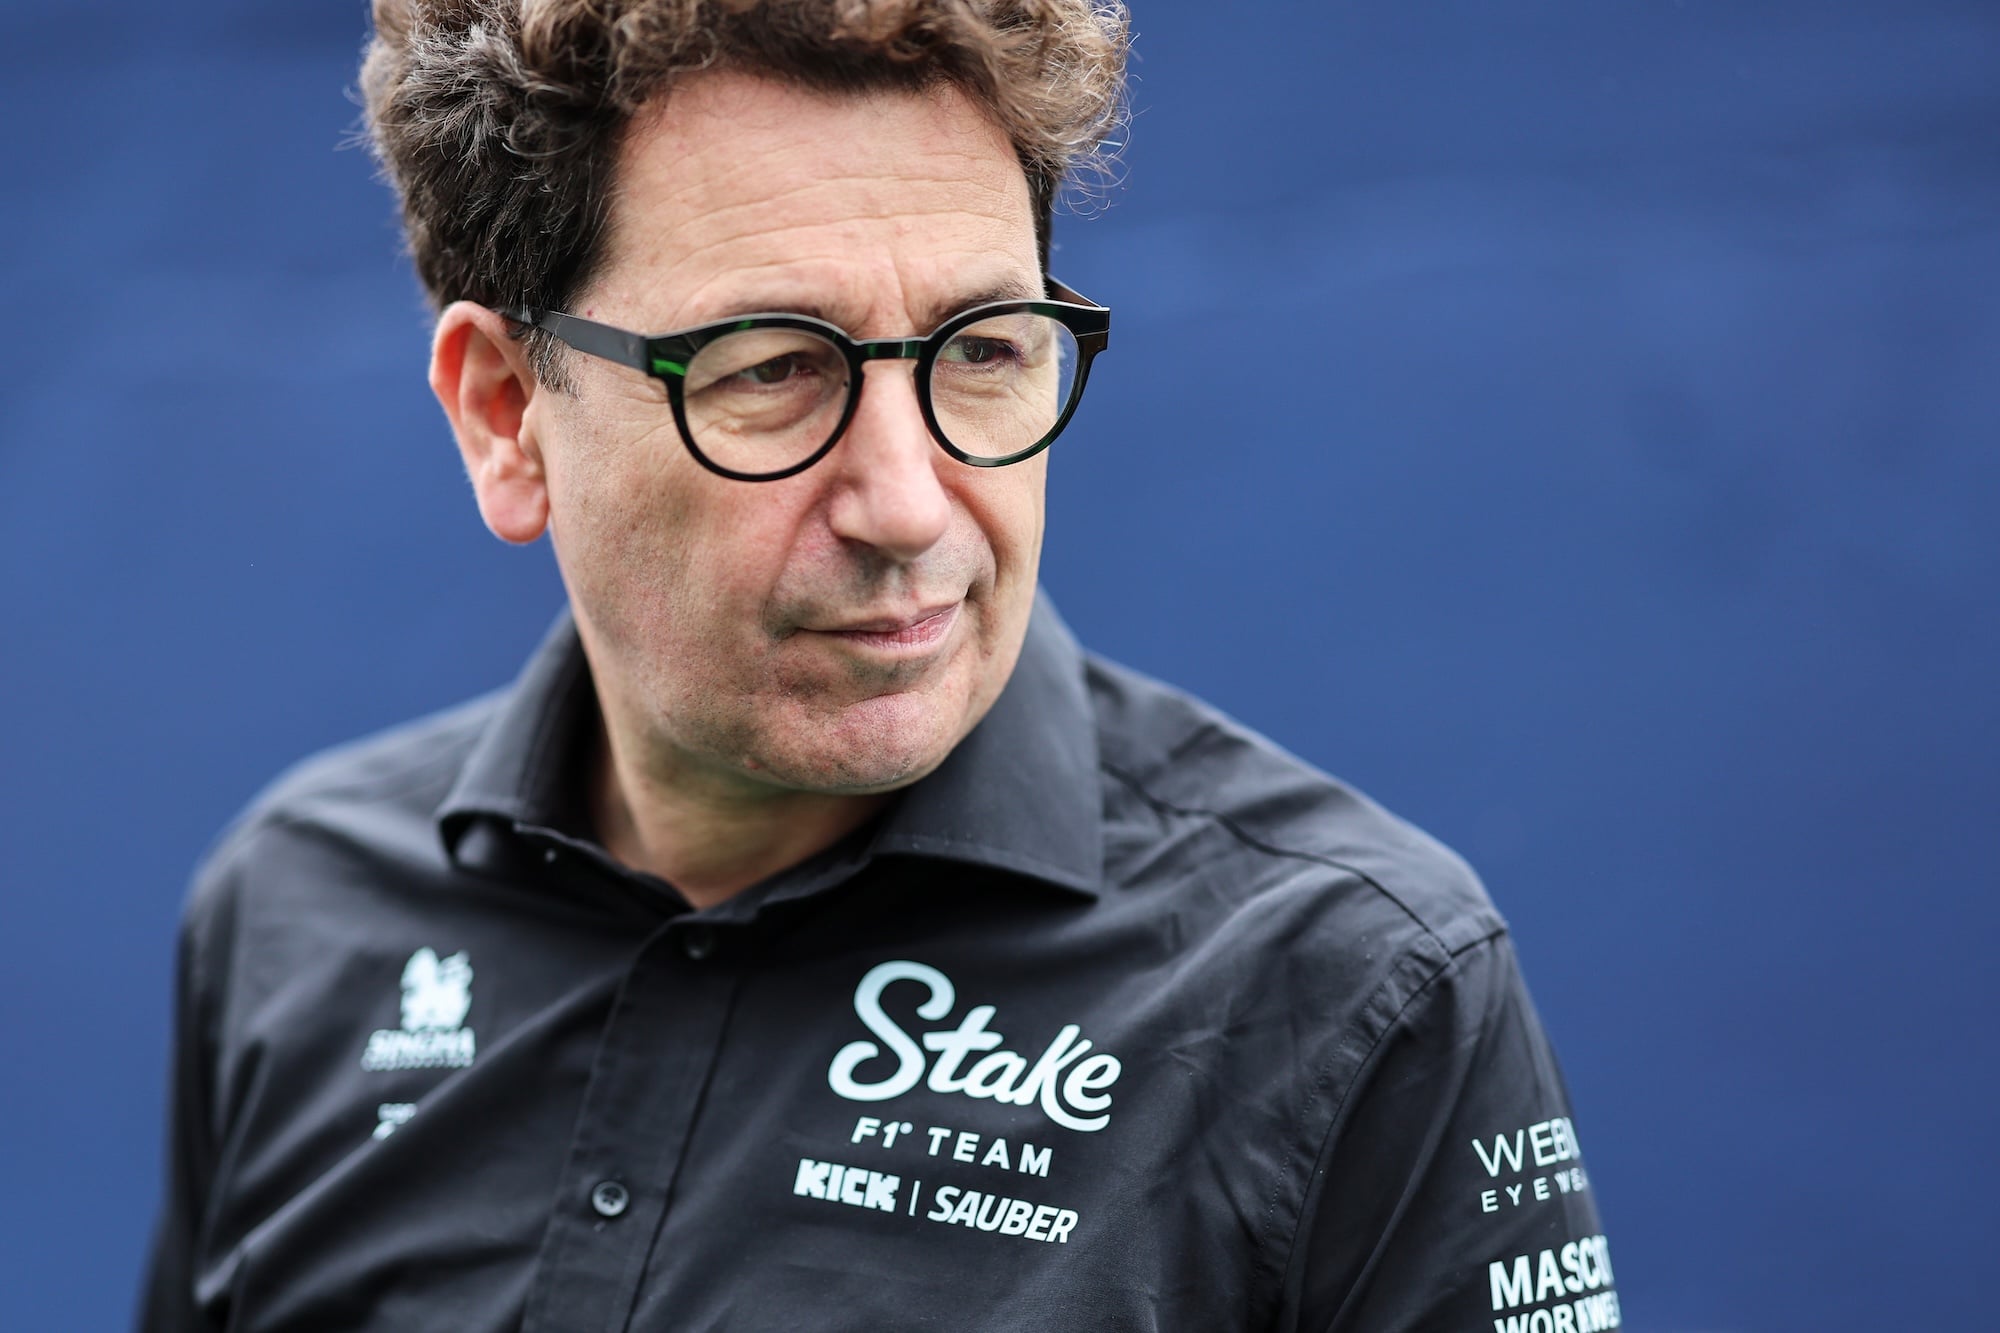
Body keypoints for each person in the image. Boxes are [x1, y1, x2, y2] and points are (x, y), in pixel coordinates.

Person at [140, 2, 1616, 1330]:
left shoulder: (1361, 993)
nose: (911, 503)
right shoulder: (290, 911)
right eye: (776, 366)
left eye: (984, 346)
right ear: (506, 412)